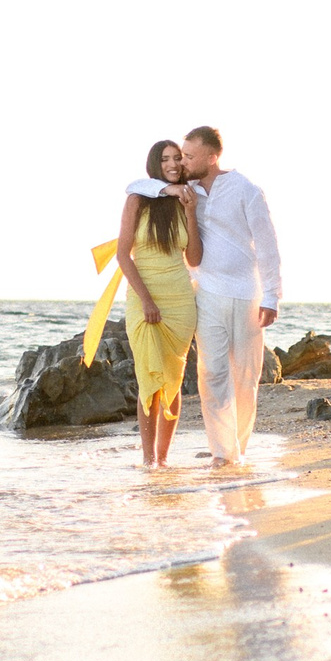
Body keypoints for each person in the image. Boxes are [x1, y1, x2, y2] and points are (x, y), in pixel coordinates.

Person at [179, 124, 281, 467]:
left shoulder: (245, 189)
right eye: (182, 155)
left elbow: (266, 244)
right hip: (207, 293)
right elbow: (139, 187)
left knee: (246, 377)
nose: (183, 161)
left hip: (248, 294)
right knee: (212, 374)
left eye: (190, 156)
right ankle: (222, 453)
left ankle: (238, 449)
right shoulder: (185, 191)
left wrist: (272, 295)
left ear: (212, 157)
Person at [114, 140, 202, 468]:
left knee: (173, 379)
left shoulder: (186, 199)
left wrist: (190, 212)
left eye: (178, 158)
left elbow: (194, 258)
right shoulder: (138, 199)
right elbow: (123, 255)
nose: (173, 164)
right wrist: (147, 300)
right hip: (143, 297)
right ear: (155, 163)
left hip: (180, 300)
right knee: (149, 380)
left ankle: (163, 459)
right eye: (165, 159)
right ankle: (147, 458)